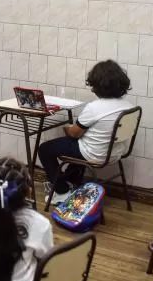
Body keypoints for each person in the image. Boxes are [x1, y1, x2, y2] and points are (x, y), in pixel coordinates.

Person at [37, 60, 134, 205]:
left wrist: (67, 128)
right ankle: (70, 182)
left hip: (95, 154)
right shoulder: (129, 107)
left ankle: (62, 192)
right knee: (78, 145)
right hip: (116, 152)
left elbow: (73, 134)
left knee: (45, 149)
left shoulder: (94, 108)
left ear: (97, 85)